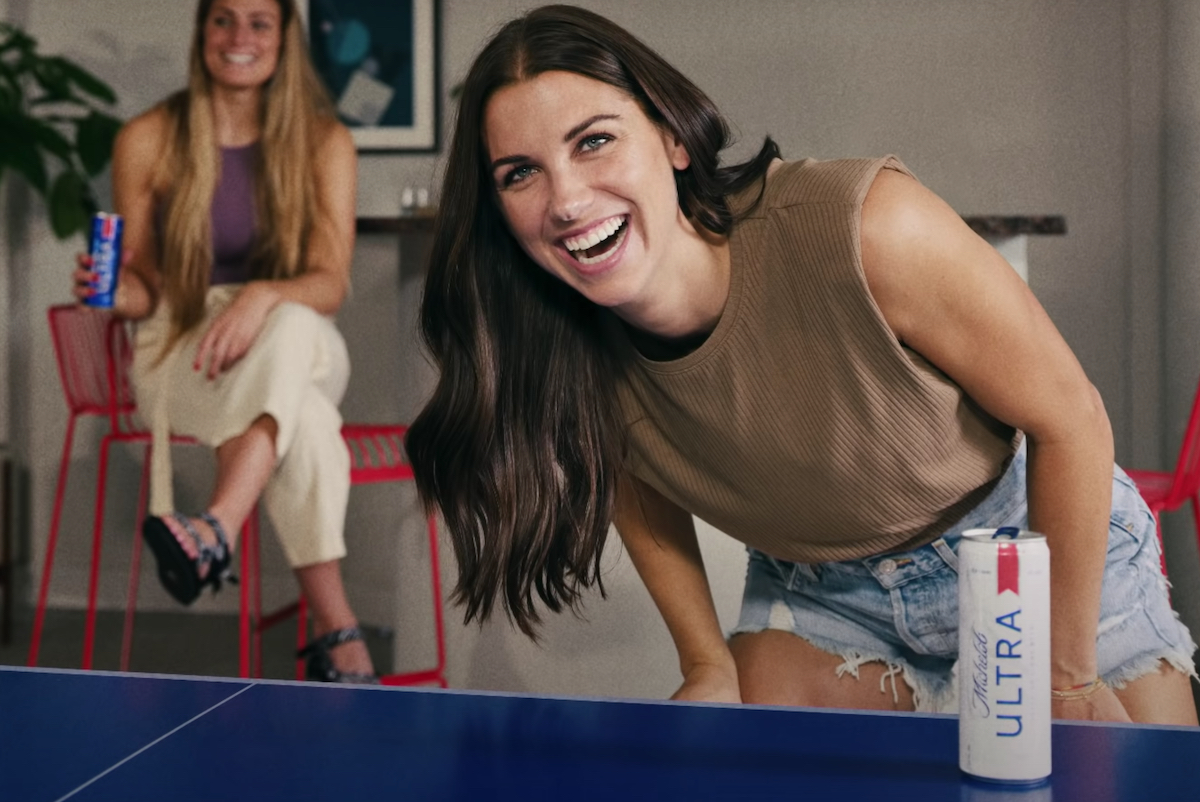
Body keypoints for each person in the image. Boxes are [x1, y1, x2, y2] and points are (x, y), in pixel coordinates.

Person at [406, 4, 1199, 722]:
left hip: (1032, 548)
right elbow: (637, 481)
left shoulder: (868, 226)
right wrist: (706, 662)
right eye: (520, 173)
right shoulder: (561, 348)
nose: (567, 200)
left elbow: (1072, 422)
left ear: (673, 138)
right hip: (825, 596)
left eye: (594, 141)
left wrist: (1060, 678)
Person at [71, 0, 374, 682]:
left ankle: (215, 526)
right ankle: (340, 635)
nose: (240, 37)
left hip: (298, 337)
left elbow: (328, 284)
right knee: (305, 418)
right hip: (185, 345)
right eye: (223, 19)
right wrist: (115, 295)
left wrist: (262, 295)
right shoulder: (148, 137)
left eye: (259, 22)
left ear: (284, 37)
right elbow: (147, 287)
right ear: (201, 31)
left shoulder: (325, 141)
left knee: (294, 324)